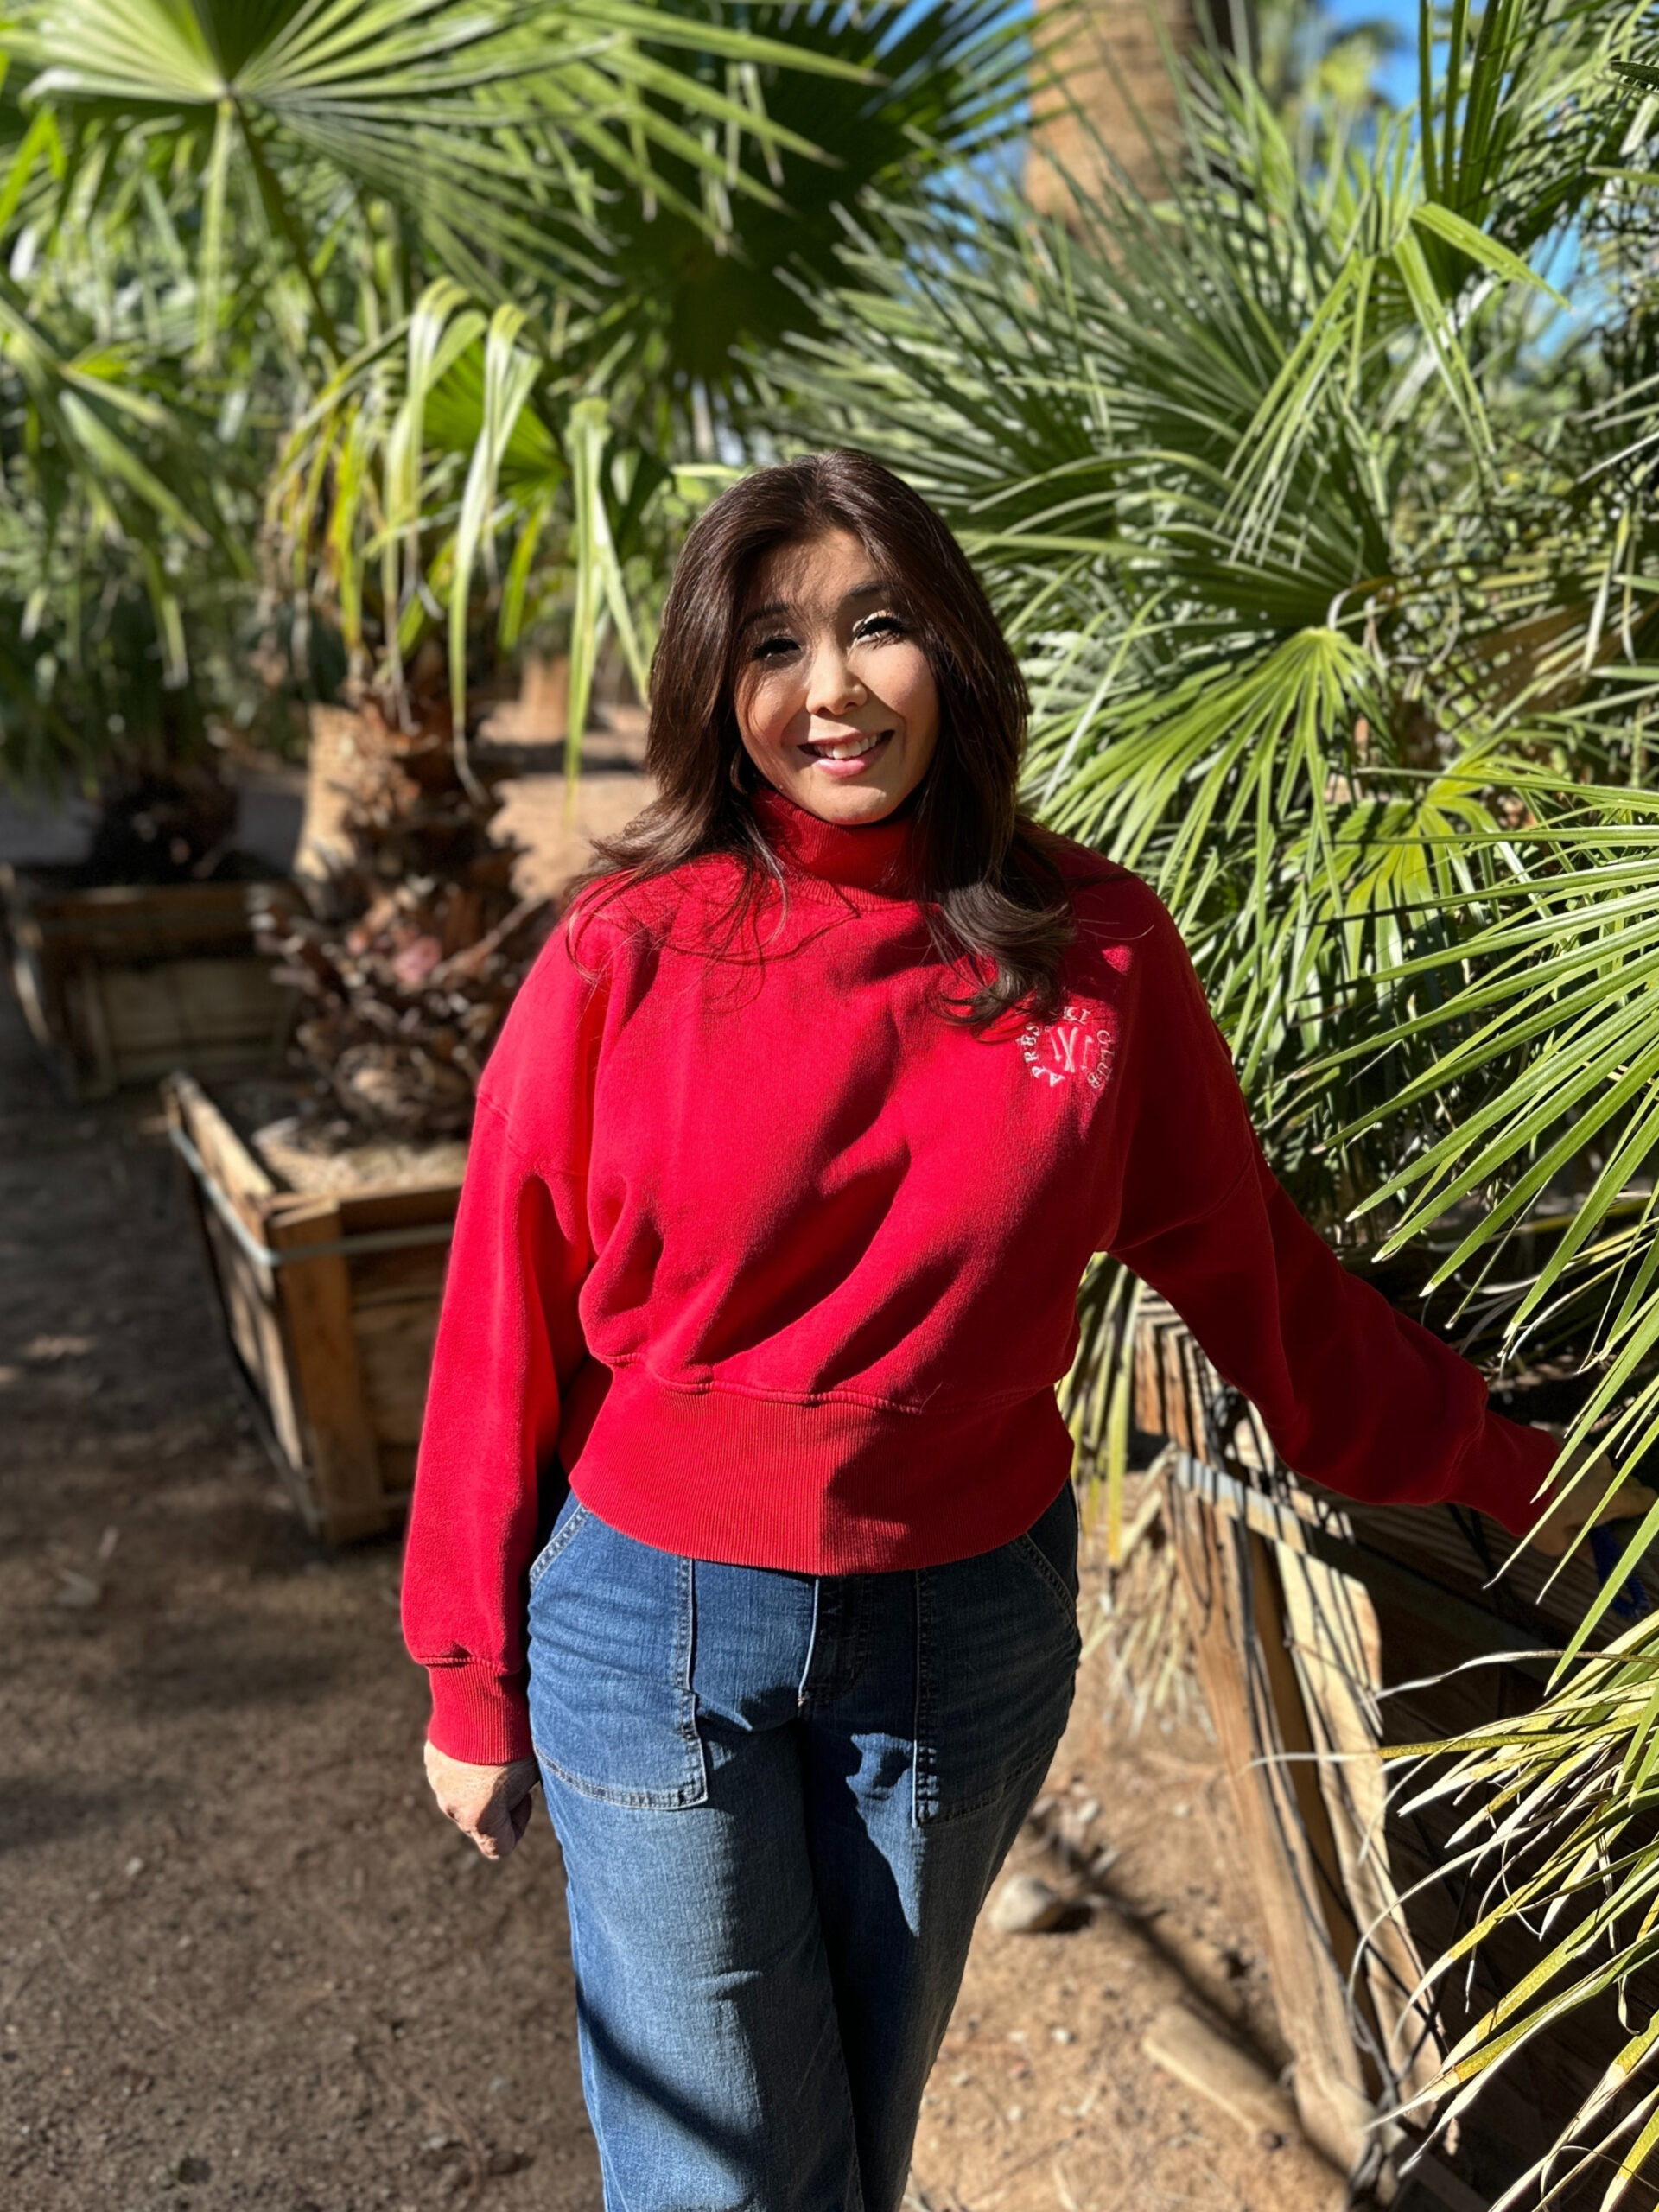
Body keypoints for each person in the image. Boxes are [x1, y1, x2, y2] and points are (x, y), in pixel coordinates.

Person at [402, 449, 1647, 2212]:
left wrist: (1528, 1468)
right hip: (656, 1622)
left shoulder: (1096, 950)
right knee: (721, 2182)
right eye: (772, 645)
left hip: (962, 1630)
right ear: (713, 686)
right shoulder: (631, 946)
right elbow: (499, 1307)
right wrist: (470, 1671)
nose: (831, 689)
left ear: (954, 651)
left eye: (877, 625)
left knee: (853, 2144)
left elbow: (1266, 1284)